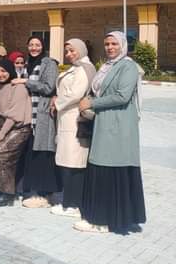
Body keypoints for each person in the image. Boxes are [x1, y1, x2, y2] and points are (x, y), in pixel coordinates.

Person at [76, 31, 146, 233]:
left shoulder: (128, 66)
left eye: (114, 44)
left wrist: (92, 103)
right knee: (101, 165)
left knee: (111, 166)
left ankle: (105, 220)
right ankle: (101, 216)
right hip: (104, 121)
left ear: (123, 45)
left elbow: (123, 96)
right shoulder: (107, 66)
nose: (110, 47)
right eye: (107, 44)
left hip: (118, 124)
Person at [50, 39, 96, 218]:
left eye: (72, 50)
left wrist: (57, 102)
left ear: (81, 50)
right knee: (69, 162)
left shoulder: (84, 68)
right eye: (67, 51)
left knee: (74, 163)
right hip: (67, 119)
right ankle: (69, 201)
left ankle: (73, 205)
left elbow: (76, 94)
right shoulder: (77, 67)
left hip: (75, 120)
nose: (69, 54)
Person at [0, 59, 32, 206]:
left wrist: (1, 135)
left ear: (10, 71)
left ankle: (8, 194)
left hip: (19, 128)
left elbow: (14, 116)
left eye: (3, 71)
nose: (0, 74)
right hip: (4, 127)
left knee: (1, 153)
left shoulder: (18, 88)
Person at [20, 36, 59, 208]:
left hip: (42, 114)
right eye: (31, 45)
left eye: (37, 45)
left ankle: (45, 193)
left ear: (43, 47)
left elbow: (49, 87)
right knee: (31, 152)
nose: (34, 48)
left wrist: (26, 82)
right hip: (28, 115)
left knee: (43, 153)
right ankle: (32, 189)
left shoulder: (49, 63)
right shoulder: (27, 63)